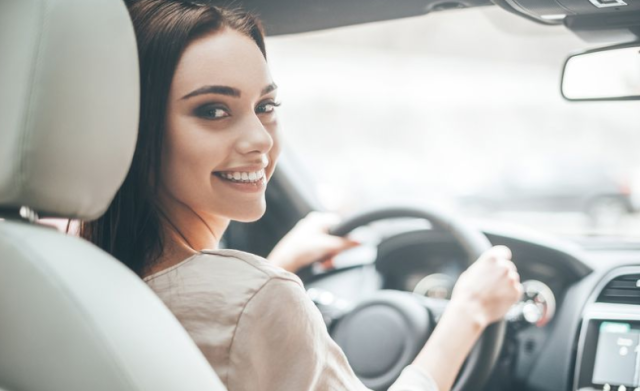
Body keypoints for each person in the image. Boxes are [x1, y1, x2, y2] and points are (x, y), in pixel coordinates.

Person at [80, 1, 523, 390]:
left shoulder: (79, 275)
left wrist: (279, 264)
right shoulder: (262, 299)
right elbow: (238, 313)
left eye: (266, 106)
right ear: (135, 130)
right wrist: (468, 313)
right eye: (213, 110)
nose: (260, 139)